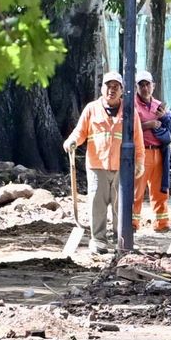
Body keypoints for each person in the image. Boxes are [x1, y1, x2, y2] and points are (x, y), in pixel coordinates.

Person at [63, 69, 145, 255]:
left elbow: (138, 139)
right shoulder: (91, 109)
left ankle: (120, 238)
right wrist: (72, 141)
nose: (112, 90)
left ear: (122, 90)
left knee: (121, 204)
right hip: (97, 165)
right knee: (97, 204)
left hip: (122, 167)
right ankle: (98, 240)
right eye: (108, 86)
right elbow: (80, 131)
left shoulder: (130, 112)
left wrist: (139, 161)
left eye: (116, 87)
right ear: (102, 89)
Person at [132, 69, 171, 233]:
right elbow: (128, 129)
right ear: (136, 87)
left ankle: (162, 224)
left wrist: (164, 118)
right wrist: (147, 126)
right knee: (137, 190)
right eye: (141, 85)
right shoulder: (131, 105)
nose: (144, 88)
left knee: (161, 190)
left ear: (153, 86)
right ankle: (133, 225)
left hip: (160, 152)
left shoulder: (159, 106)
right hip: (142, 153)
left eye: (147, 84)